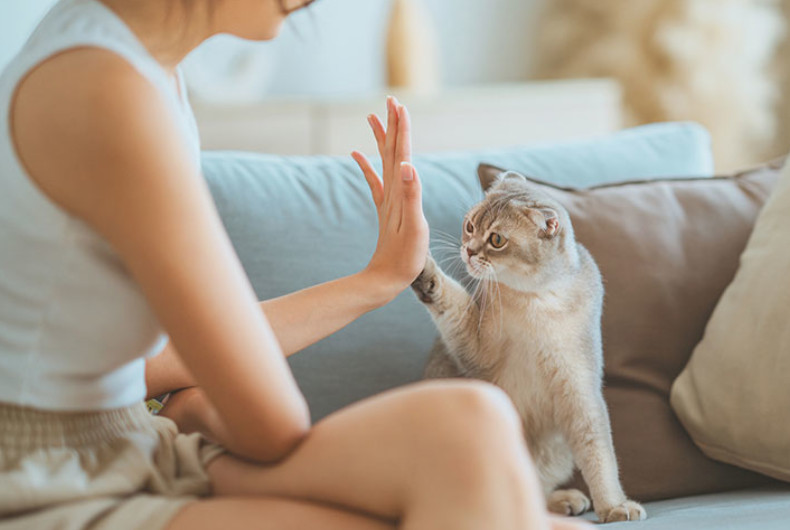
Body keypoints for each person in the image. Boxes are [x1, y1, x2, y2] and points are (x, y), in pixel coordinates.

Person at [0, 0, 592, 528]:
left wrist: (378, 280)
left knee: (476, 428)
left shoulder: (142, 67)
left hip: (127, 443)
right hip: (48, 482)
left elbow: (142, 360)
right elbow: (269, 423)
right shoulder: (108, 93)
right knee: (473, 468)